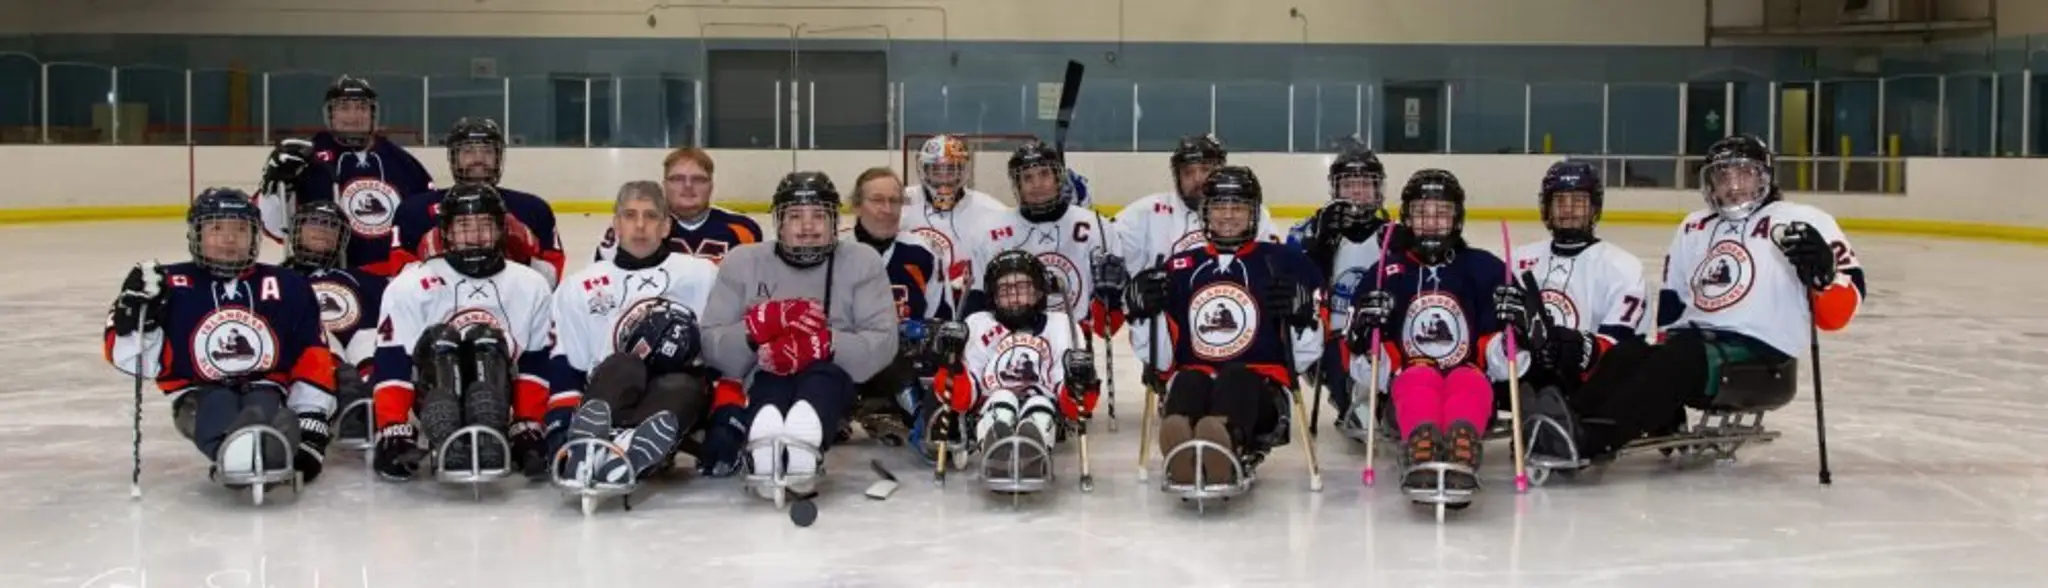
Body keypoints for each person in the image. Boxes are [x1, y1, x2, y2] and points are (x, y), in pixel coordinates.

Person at [1534, 135, 1865, 463]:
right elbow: (1673, 303)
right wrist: (1664, 391)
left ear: (1765, 176)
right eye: (1723, 176)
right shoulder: (1694, 226)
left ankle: (1592, 440)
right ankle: (1560, 423)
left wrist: (1825, 275)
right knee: (1630, 353)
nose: (1733, 185)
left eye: (1744, 174)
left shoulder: (1802, 220)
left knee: (1681, 355)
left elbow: (1837, 316)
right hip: (1696, 348)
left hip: (1762, 357)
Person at [103, 188, 338, 486]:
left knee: (266, 408)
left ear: (255, 236)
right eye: (216, 228)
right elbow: (136, 362)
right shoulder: (165, 284)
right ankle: (247, 451)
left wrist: (311, 415)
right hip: (197, 393)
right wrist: (137, 322)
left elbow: (311, 353)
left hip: (267, 387)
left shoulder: (288, 285)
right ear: (196, 235)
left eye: (240, 229)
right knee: (218, 408)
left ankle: (263, 444)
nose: (229, 239)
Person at [698, 171, 898, 498]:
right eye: (795, 216)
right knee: (771, 378)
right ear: (779, 221)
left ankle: (802, 444)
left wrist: (825, 344)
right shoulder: (743, 262)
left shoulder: (862, 261)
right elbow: (711, 344)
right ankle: (767, 440)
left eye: (818, 216)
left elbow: (883, 342)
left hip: (835, 383)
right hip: (761, 378)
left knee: (822, 376)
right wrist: (754, 331)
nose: (807, 227)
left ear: (834, 221)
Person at [1123, 166, 1320, 486]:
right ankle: (1184, 440)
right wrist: (1142, 316)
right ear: (1205, 212)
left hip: (1261, 394)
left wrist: (1303, 318)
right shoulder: (1181, 267)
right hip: (1197, 379)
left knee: (1237, 376)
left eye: (1238, 207)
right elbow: (1161, 361)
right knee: (1187, 378)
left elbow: (1304, 358)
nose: (1228, 216)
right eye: (1219, 207)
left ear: (1254, 213)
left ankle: (1224, 440)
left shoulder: (1285, 262)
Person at [1344, 169, 1526, 499]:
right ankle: (1421, 445)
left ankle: (1462, 443)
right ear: (1406, 217)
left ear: (1457, 218)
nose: (1431, 221)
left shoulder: (1484, 268)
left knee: (1468, 378)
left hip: (1471, 381)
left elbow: (1501, 363)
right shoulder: (1385, 272)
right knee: (1417, 377)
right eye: (1421, 212)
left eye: (1441, 212)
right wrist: (1363, 336)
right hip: (1403, 388)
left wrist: (1516, 331)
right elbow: (1366, 367)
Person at [368, 184, 555, 482]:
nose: (476, 236)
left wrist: (527, 422)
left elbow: (536, 361)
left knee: (486, 339)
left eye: (485, 225)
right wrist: (392, 426)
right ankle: (448, 435)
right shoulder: (410, 285)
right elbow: (393, 360)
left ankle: (491, 432)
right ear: (447, 233)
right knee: (442, 339)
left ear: (501, 230)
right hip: (431, 394)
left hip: (499, 392)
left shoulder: (531, 285)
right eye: (464, 226)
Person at [545, 181, 720, 486]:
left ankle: (620, 450)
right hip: (610, 388)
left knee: (681, 383)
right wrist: (559, 424)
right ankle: (598, 449)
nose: (640, 226)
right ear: (616, 224)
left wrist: (725, 420)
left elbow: (720, 350)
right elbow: (566, 360)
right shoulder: (580, 286)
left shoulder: (701, 275)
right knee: (623, 364)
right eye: (630, 215)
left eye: (651, 216)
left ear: (666, 226)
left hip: (676, 389)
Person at [1490, 160, 1649, 462]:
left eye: (1579, 201)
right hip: (1529, 370)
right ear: (1546, 208)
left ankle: (1555, 414)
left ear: (1594, 207)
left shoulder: (1622, 266)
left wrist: (1571, 347)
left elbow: (1620, 342)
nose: (1569, 209)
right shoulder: (1520, 258)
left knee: (1629, 359)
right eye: (1560, 200)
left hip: (1587, 376)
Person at [1115, 135, 1284, 391]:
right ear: (1177, 176)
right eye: (1189, 172)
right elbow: (1108, 246)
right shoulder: (1146, 212)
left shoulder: (1253, 214)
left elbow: (1272, 268)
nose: (1197, 179)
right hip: (1174, 322)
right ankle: (1171, 376)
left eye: (1206, 169)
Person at [931, 250, 1094, 480]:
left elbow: (1074, 407)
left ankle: (1032, 453)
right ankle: (997, 451)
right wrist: (950, 362)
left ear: (1039, 291)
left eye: (1023, 288)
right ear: (993, 297)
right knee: (1002, 401)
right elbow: (961, 398)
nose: (1015, 297)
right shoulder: (977, 324)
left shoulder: (1061, 326)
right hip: (990, 405)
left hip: (1044, 404)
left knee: (1039, 405)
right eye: (1006, 290)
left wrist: (1082, 381)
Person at [256, 75, 434, 277]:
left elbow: (428, 220)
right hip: (325, 278)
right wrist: (273, 185)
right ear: (330, 114)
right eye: (344, 108)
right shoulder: (306, 158)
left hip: (391, 279)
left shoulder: (403, 163)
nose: (353, 116)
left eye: (361, 108)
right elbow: (275, 228)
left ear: (372, 114)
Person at [962, 141, 1127, 344]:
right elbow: (975, 305)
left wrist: (1109, 298)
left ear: (1058, 178)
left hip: (1075, 343)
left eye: (1044, 174)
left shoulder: (1096, 227)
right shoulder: (989, 232)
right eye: (1027, 178)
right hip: (1006, 345)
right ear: (1017, 185)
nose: (1037, 184)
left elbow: (1110, 323)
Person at [1285, 146, 1395, 431]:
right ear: (1335, 188)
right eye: (1348, 184)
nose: (1357, 192)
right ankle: (1348, 397)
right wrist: (1320, 248)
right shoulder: (1307, 230)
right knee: (1340, 362)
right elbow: (1291, 284)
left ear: (1377, 188)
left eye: (1365, 184)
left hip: (1380, 335)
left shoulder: (1394, 234)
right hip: (1327, 337)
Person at [389, 118, 566, 285]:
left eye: (487, 151)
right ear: (453, 157)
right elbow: (401, 279)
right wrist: (433, 266)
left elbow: (551, 281)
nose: (479, 159)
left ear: (498, 157)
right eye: (468, 151)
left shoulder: (533, 209)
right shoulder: (415, 210)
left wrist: (526, 258)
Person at [839, 167, 942, 445]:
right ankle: (843, 406)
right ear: (857, 205)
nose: (887, 209)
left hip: (902, 363)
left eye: (895, 201)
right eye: (877, 200)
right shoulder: (837, 250)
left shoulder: (922, 252)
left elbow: (938, 318)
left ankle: (881, 406)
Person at [279, 199, 388, 445]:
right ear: (296, 231)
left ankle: (375, 400)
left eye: (330, 227)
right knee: (321, 341)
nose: (321, 231)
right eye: (313, 224)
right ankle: (349, 401)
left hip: (358, 340)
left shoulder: (361, 278)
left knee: (372, 339)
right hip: (318, 347)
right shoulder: (279, 280)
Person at [902, 135, 1012, 320]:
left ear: (963, 172)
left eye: (951, 170)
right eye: (937, 170)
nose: (944, 179)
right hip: (915, 297)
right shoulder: (902, 202)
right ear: (924, 171)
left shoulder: (991, 210)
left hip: (969, 303)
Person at [593, 147, 762, 264]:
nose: (688, 186)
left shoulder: (744, 229)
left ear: (711, 185)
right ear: (665, 185)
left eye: (698, 179)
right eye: (678, 179)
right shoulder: (631, 227)